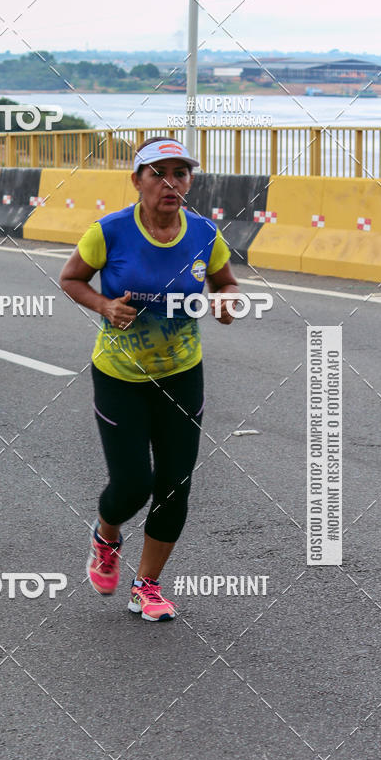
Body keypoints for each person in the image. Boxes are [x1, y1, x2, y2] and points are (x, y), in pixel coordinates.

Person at [60, 137, 240, 621]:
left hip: (181, 374)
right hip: (120, 376)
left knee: (176, 484)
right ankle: (106, 535)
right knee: (133, 484)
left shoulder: (204, 233)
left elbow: (225, 282)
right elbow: (71, 278)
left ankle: (147, 586)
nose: (170, 183)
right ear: (136, 180)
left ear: (190, 181)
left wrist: (227, 300)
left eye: (180, 173)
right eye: (158, 174)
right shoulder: (110, 231)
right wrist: (104, 305)